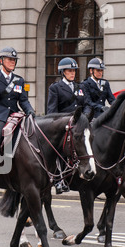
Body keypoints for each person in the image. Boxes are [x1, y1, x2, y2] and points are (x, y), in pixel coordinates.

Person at [0, 47, 35, 185]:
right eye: (10, 59)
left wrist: (30, 111)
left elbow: (23, 100)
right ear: (1, 60)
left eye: (14, 60)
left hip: (15, 115)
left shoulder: (19, 80)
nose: (13, 62)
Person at [47, 57, 88, 194]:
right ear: (62, 72)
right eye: (69, 71)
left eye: (74, 71)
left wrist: (87, 117)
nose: (72, 73)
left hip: (79, 124)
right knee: (60, 151)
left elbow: (86, 105)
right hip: (64, 126)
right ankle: (59, 180)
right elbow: (52, 111)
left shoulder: (80, 87)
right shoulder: (55, 88)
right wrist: (64, 121)